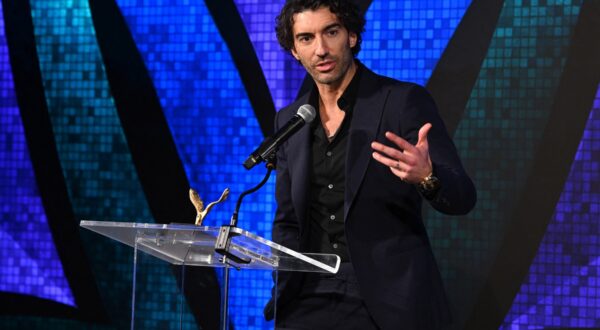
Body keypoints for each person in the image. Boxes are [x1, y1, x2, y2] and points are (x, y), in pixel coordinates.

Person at [264, 0, 476, 329]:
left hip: (383, 298)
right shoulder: (291, 120)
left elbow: (462, 196)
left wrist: (427, 176)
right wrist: (282, 286)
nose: (320, 49)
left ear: (350, 35)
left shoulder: (401, 102)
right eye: (306, 38)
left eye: (330, 32)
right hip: (307, 296)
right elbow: (288, 220)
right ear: (294, 50)